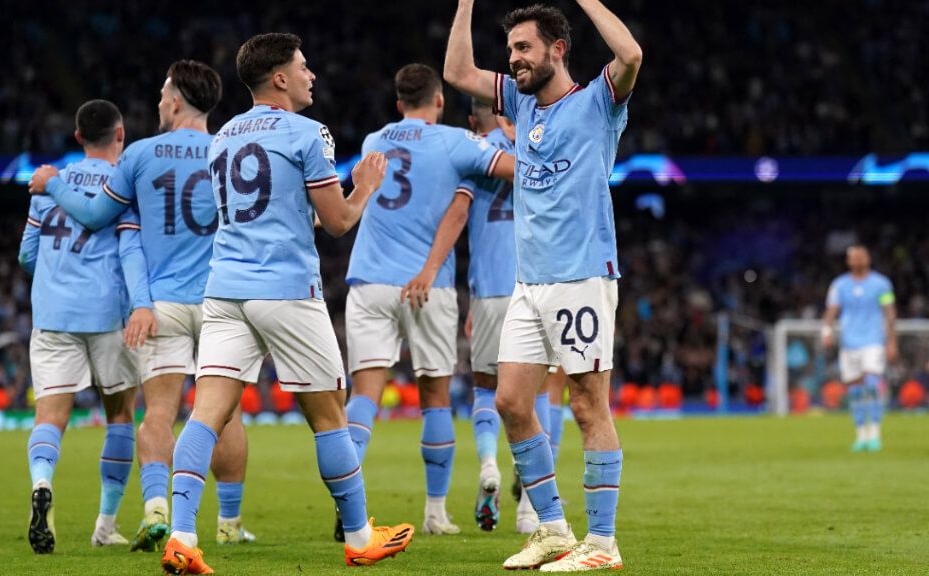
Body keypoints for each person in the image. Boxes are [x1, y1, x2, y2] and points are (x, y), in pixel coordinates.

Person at [159, 33, 414, 574]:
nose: (311, 74)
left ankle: (181, 536)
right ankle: (361, 537)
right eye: (303, 67)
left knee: (204, 418)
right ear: (279, 78)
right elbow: (341, 221)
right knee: (328, 416)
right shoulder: (307, 132)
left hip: (225, 289)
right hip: (286, 290)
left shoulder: (223, 135)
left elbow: (277, 209)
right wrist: (364, 185)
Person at [444, 0, 641, 571]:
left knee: (586, 404)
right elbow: (459, 72)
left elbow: (630, 54)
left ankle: (602, 545)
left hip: (581, 276)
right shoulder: (522, 100)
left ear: (557, 49)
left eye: (524, 48)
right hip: (528, 282)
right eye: (510, 52)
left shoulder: (598, 102)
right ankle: (553, 530)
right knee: (509, 401)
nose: (514, 60)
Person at [30, 61, 255, 550]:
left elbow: (94, 217)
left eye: (161, 94)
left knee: (157, 413)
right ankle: (230, 524)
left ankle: (156, 507)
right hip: (223, 300)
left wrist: (54, 185)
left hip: (163, 303)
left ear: (175, 101)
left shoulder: (140, 155)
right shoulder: (230, 150)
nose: (157, 102)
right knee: (226, 414)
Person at [342, 63, 514, 537]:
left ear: (399, 104)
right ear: (439, 100)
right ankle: (435, 513)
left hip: (370, 281)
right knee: (435, 398)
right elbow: (513, 169)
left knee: (364, 395)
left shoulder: (374, 140)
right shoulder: (456, 141)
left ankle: (348, 503)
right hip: (428, 286)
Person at [21, 99, 154, 553]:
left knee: (51, 415)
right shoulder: (123, 187)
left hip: (53, 314)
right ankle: (105, 526)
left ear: (77, 137)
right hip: (108, 315)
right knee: (119, 415)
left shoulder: (46, 183)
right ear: (121, 135)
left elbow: (26, 256)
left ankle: (42, 483)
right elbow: (132, 249)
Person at [822, 245, 897, 452]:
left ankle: (875, 431)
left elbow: (889, 312)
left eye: (860, 256)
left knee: (872, 384)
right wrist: (826, 332)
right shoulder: (839, 285)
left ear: (868, 258)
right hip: (849, 343)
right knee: (854, 390)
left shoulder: (881, 284)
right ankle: (860, 433)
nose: (857, 260)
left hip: (873, 340)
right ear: (848, 261)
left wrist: (891, 341)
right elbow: (831, 311)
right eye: (853, 257)